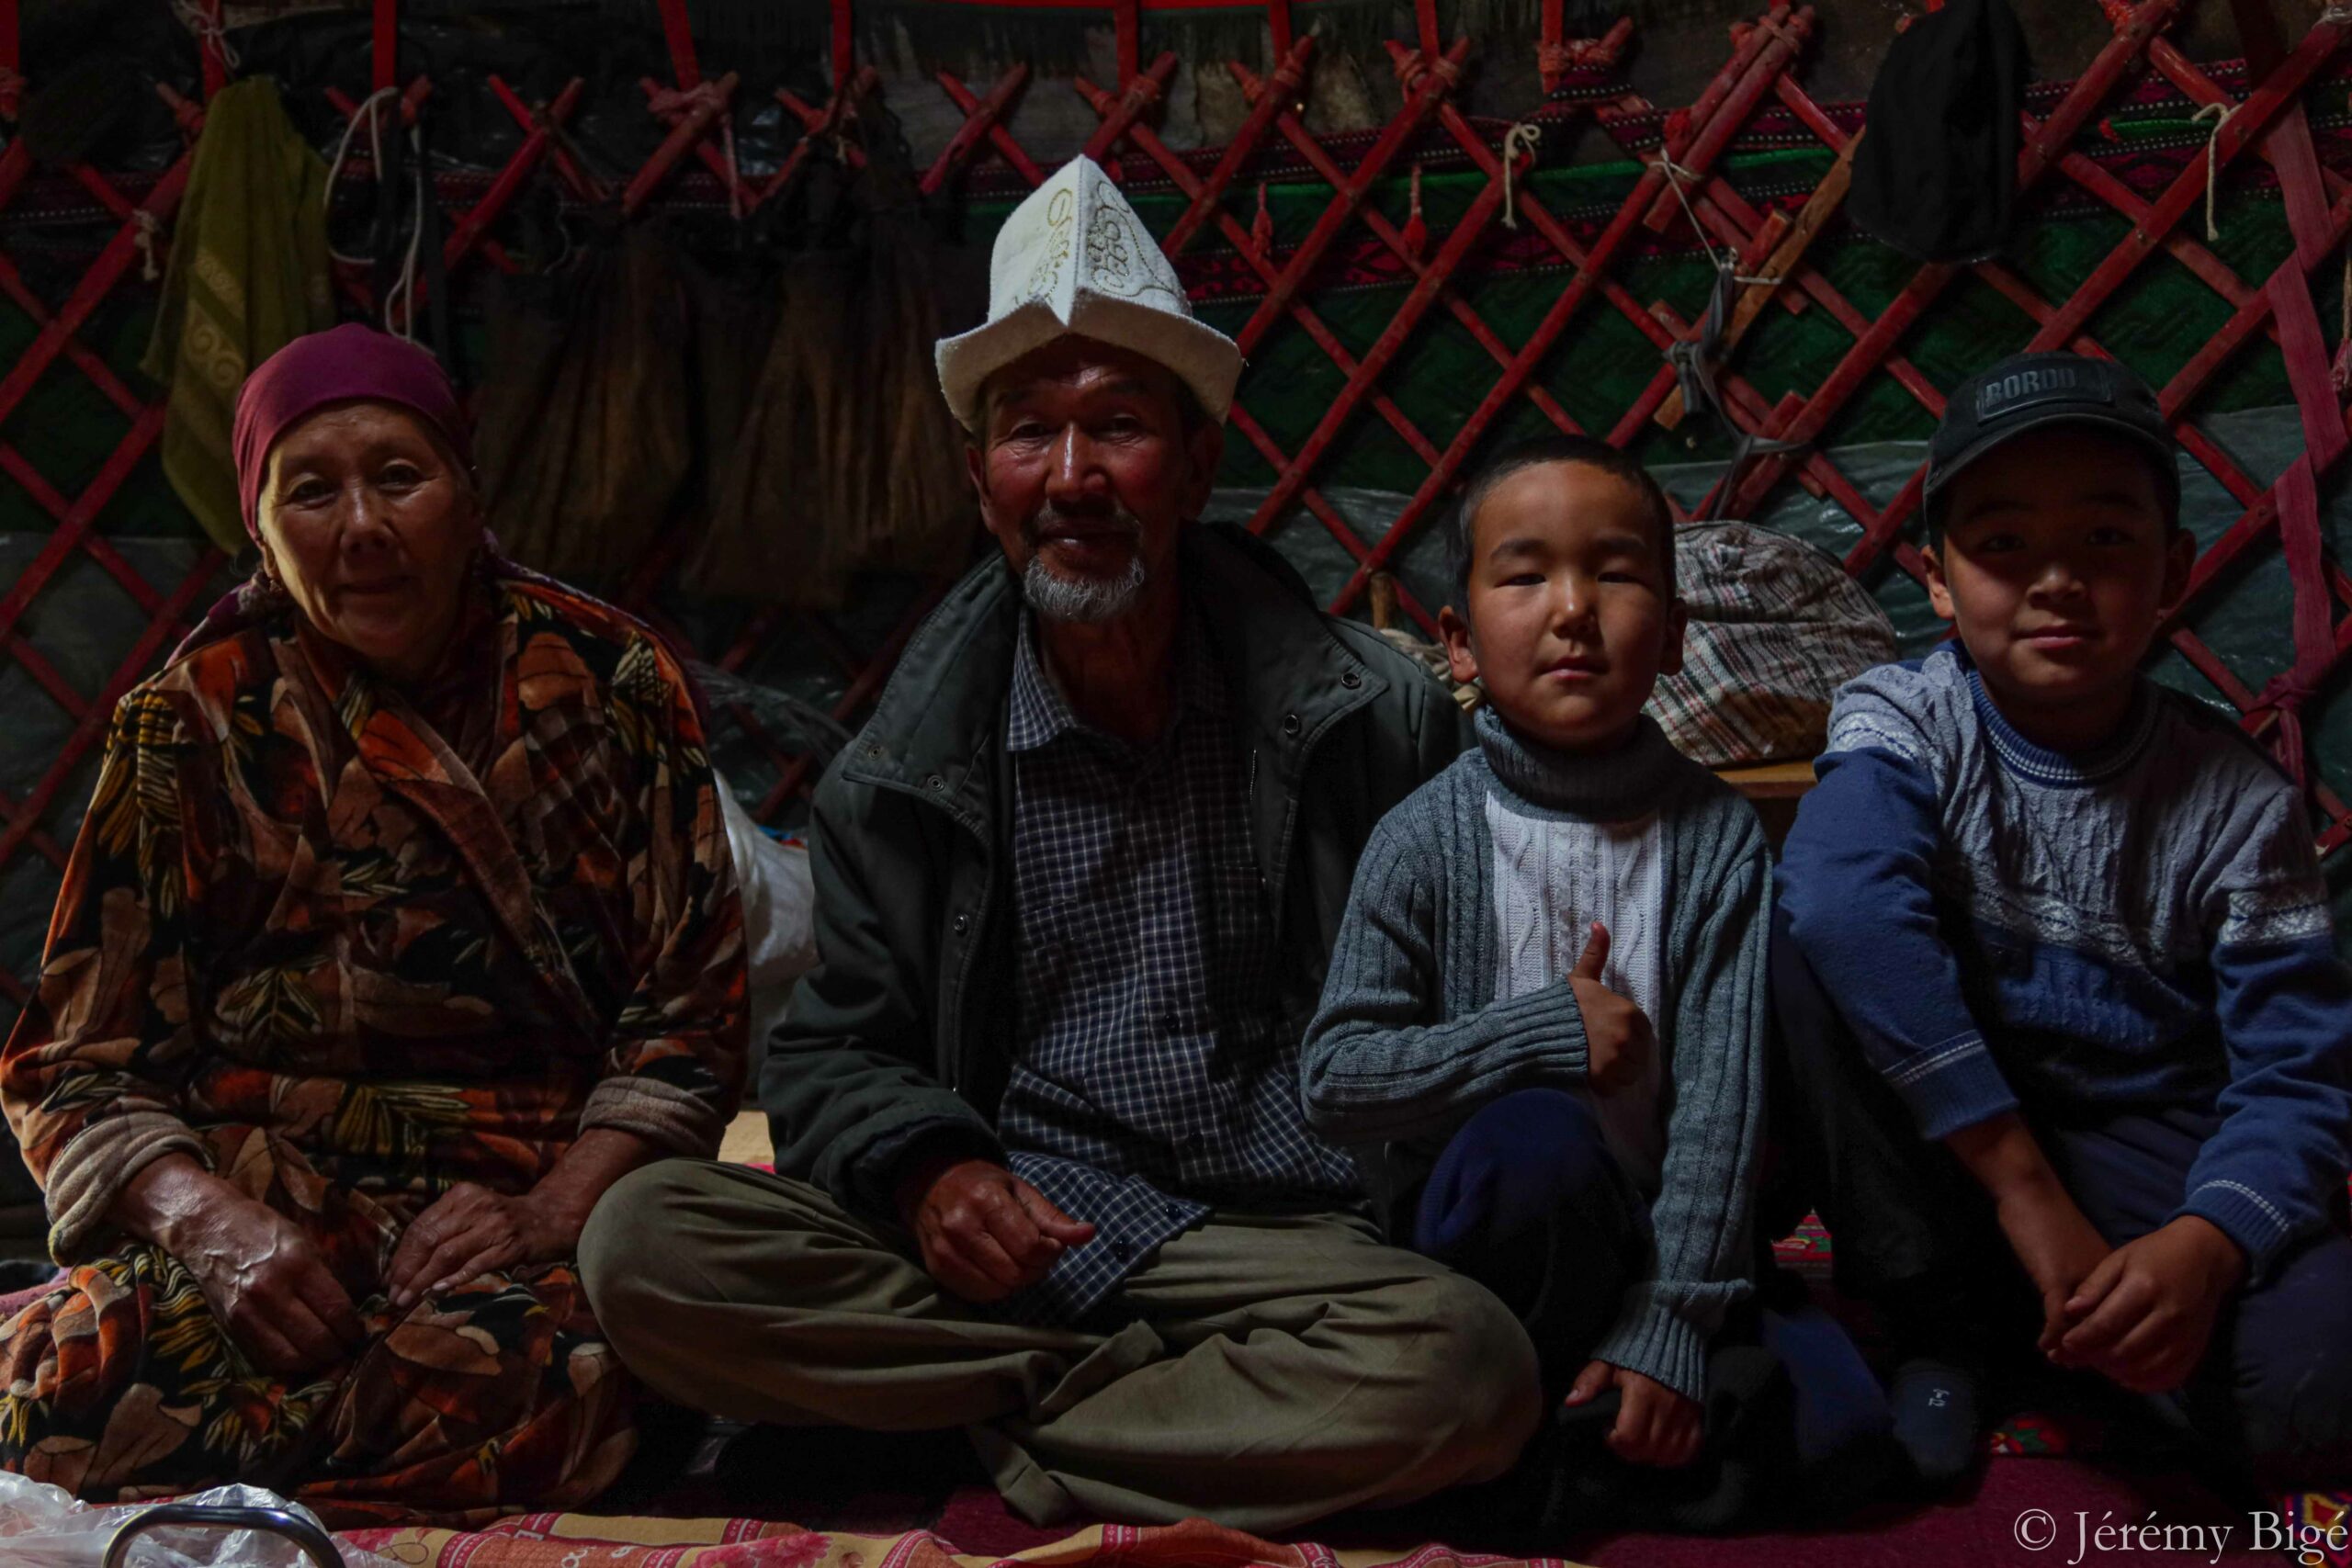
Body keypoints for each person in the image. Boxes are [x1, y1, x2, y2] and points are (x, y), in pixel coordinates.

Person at [581, 156, 1528, 1535]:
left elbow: (1454, 1009)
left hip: (1281, 1244)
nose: (1072, 476)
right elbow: (832, 1048)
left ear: (1197, 460)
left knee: (1472, 1372)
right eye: (1030, 433)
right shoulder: (902, 773)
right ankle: (1164, 1410)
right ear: (979, 480)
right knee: (647, 1246)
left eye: (1121, 426)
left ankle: (991, 1419)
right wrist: (931, 1171)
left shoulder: (1365, 723)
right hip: (1018, 1232)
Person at [0, 324, 747, 1524]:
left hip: (524, 1199)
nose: (362, 528)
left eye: (399, 475)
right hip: (268, 1202)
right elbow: (73, 1060)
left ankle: (233, 1485)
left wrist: (550, 1209)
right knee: (53, 1390)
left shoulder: (609, 680)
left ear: (468, 490)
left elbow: (690, 1017)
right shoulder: (188, 720)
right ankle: (345, 1472)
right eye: (313, 488)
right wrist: (207, 1220)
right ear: (260, 527)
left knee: (575, 1378)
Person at [1773, 351, 2352, 1493]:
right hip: (1950, 1137)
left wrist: (2206, 1246)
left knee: (2323, 1380)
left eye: (2103, 541)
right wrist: (2024, 1194)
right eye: (2001, 547)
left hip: (2140, 1130)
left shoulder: (2235, 803)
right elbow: (1842, 899)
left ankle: (2081, 1327)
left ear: (2173, 568)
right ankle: (1949, 1324)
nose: (2054, 582)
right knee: (1801, 931)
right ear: (1935, 581)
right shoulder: (1906, 717)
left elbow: (2296, 1077)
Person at [1299, 437, 1885, 1533]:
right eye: (1525, 576)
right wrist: (1534, 1035)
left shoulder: (1714, 837)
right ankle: (1572, 1429)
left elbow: (1720, 1108)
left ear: (1669, 638)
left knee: (1848, 1437)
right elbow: (1334, 1083)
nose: (1571, 608)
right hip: (1490, 1248)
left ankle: (1559, 1437)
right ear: (1460, 644)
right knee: (1538, 1136)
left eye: (1614, 573)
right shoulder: (1421, 838)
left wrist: (1671, 1317)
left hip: (1663, 1232)